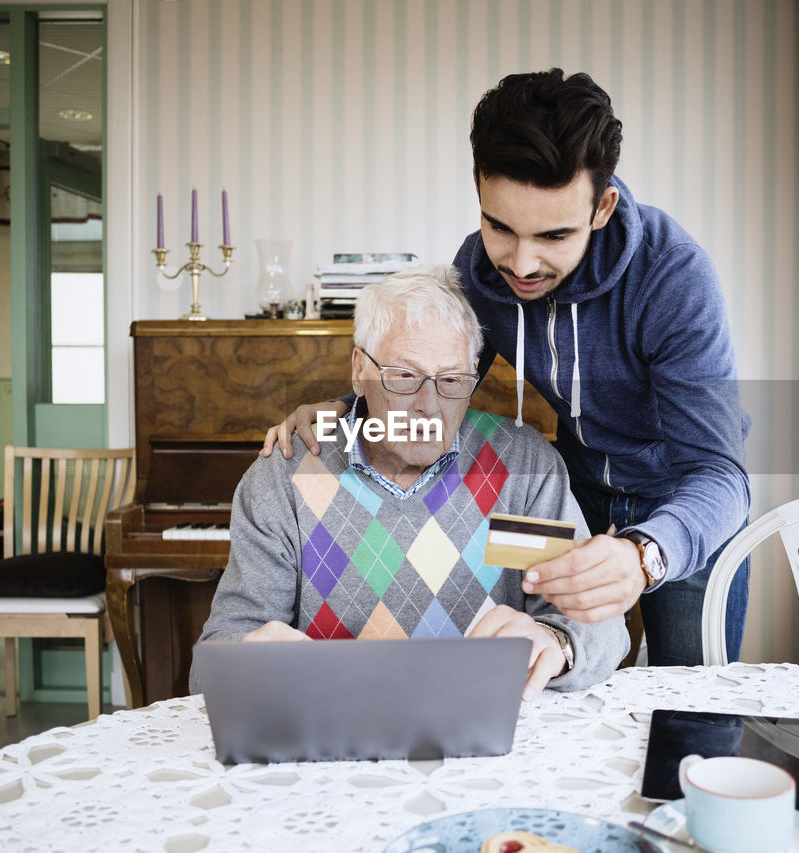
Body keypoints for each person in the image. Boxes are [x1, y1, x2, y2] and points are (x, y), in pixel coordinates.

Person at [263, 69, 750, 667]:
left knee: (692, 710)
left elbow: (721, 476)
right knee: (565, 676)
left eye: (553, 235)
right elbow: (431, 370)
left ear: (603, 207)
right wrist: (347, 408)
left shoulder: (674, 277)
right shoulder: (479, 268)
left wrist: (644, 553)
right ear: (478, 187)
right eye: (500, 227)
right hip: (573, 493)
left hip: (682, 505)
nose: (521, 264)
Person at [193, 264, 628, 699]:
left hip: (487, 734)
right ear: (359, 369)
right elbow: (220, 654)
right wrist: (246, 662)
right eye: (404, 376)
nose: (429, 407)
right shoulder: (287, 476)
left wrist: (556, 642)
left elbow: (594, 622)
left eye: (452, 380)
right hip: (331, 732)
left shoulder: (516, 473)